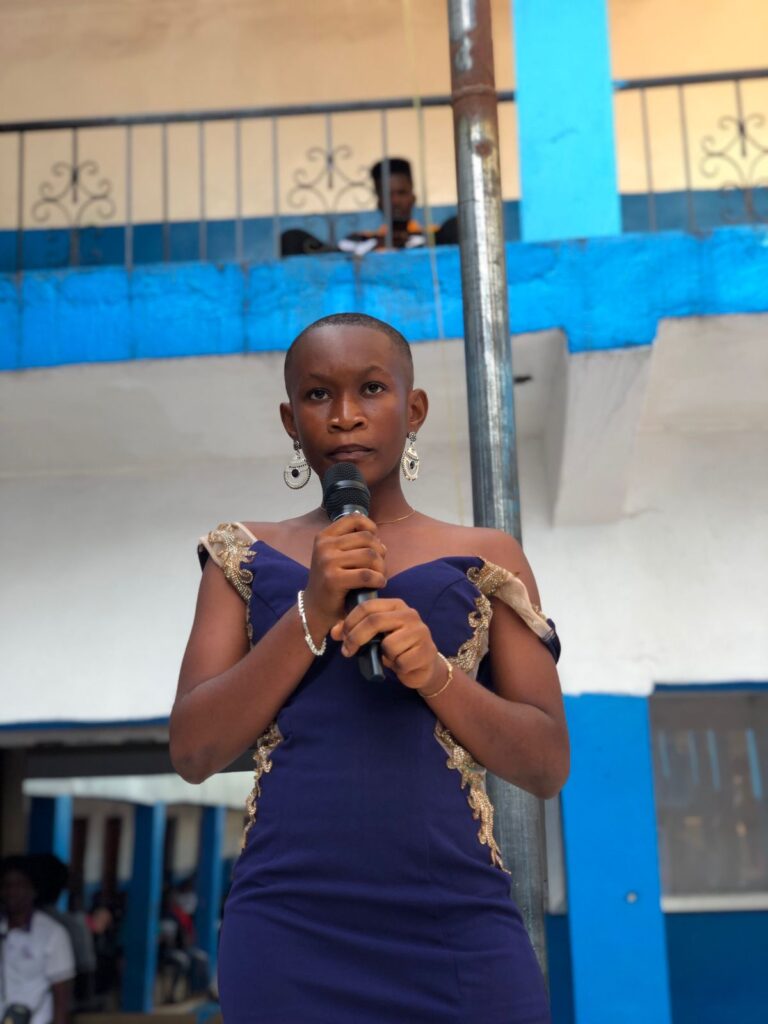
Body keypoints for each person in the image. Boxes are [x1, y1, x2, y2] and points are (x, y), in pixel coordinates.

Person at [171, 311, 569, 1023]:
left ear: (413, 410)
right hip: (289, 931)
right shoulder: (241, 554)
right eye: (318, 395)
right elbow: (194, 751)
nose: (345, 416)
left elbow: (545, 765)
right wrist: (311, 610)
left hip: (456, 927)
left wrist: (436, 674)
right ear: (291, 421)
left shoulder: (490, 555)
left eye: (373, 389)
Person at [0, 857, 75, 1024]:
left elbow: (61, 994)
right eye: (6, 885)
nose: (11, 892)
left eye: (19, 885)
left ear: (33, 890)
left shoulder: (52, 934)